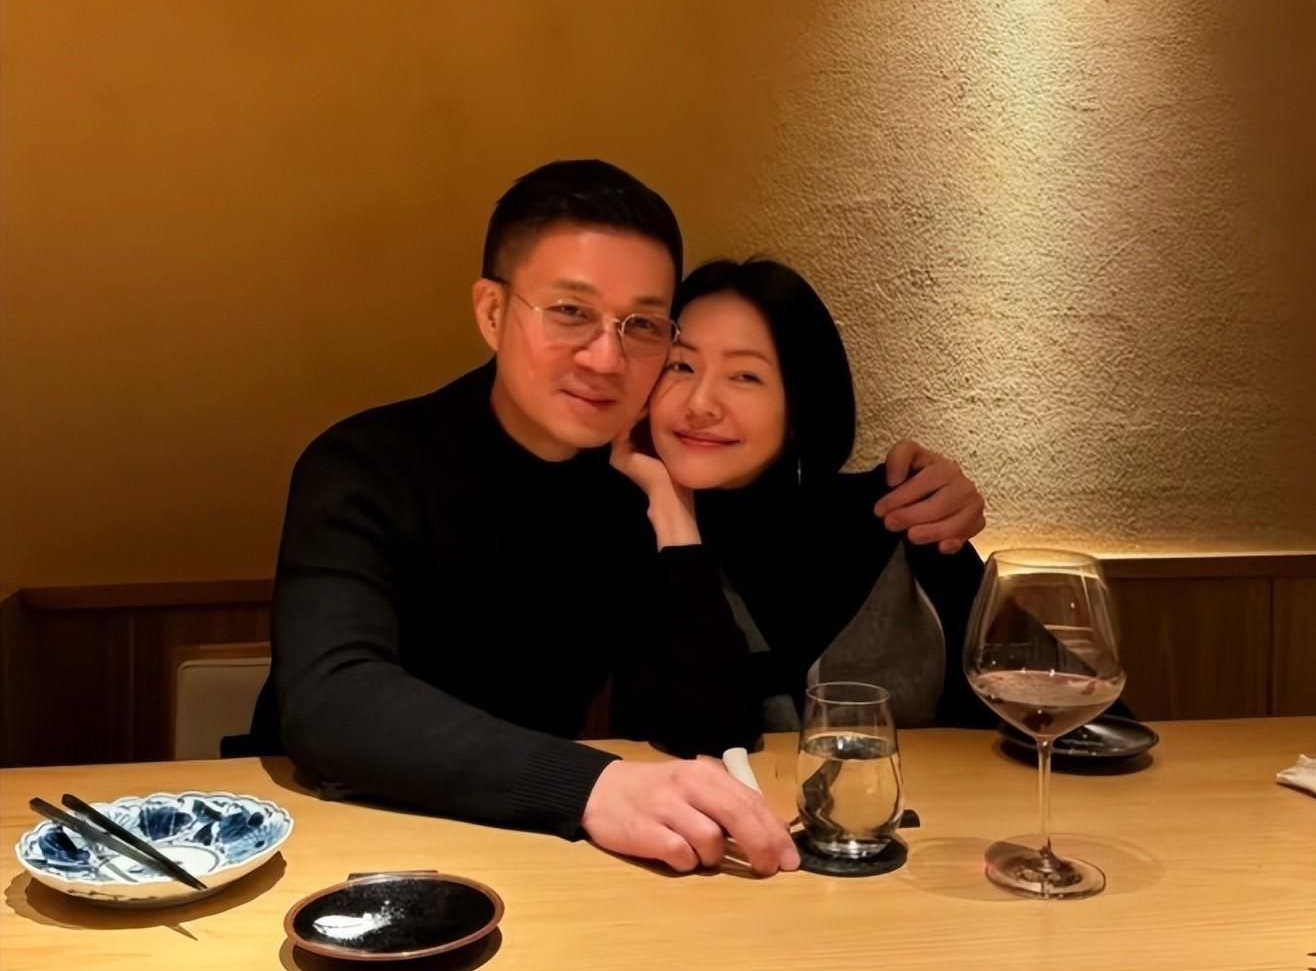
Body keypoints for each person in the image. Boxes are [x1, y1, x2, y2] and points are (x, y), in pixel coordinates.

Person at [253, 161, 986, 876]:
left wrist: (671, 512)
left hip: (532, 851)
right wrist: (592, 787)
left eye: (641, 325)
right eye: (570, 312)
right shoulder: (365, 465)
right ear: (492, 312)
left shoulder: (632, 486)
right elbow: (331, 702)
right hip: (334, 832)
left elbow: (709, 724)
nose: (606, 358)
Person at [609, 257, 994, 756]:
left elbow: (1057, 717)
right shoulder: (629, 538)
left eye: (744, 376)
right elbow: (709, 739)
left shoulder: (904, 516)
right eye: (681, 366)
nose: (699, 403)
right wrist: (673, 513)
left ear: (799, 406)